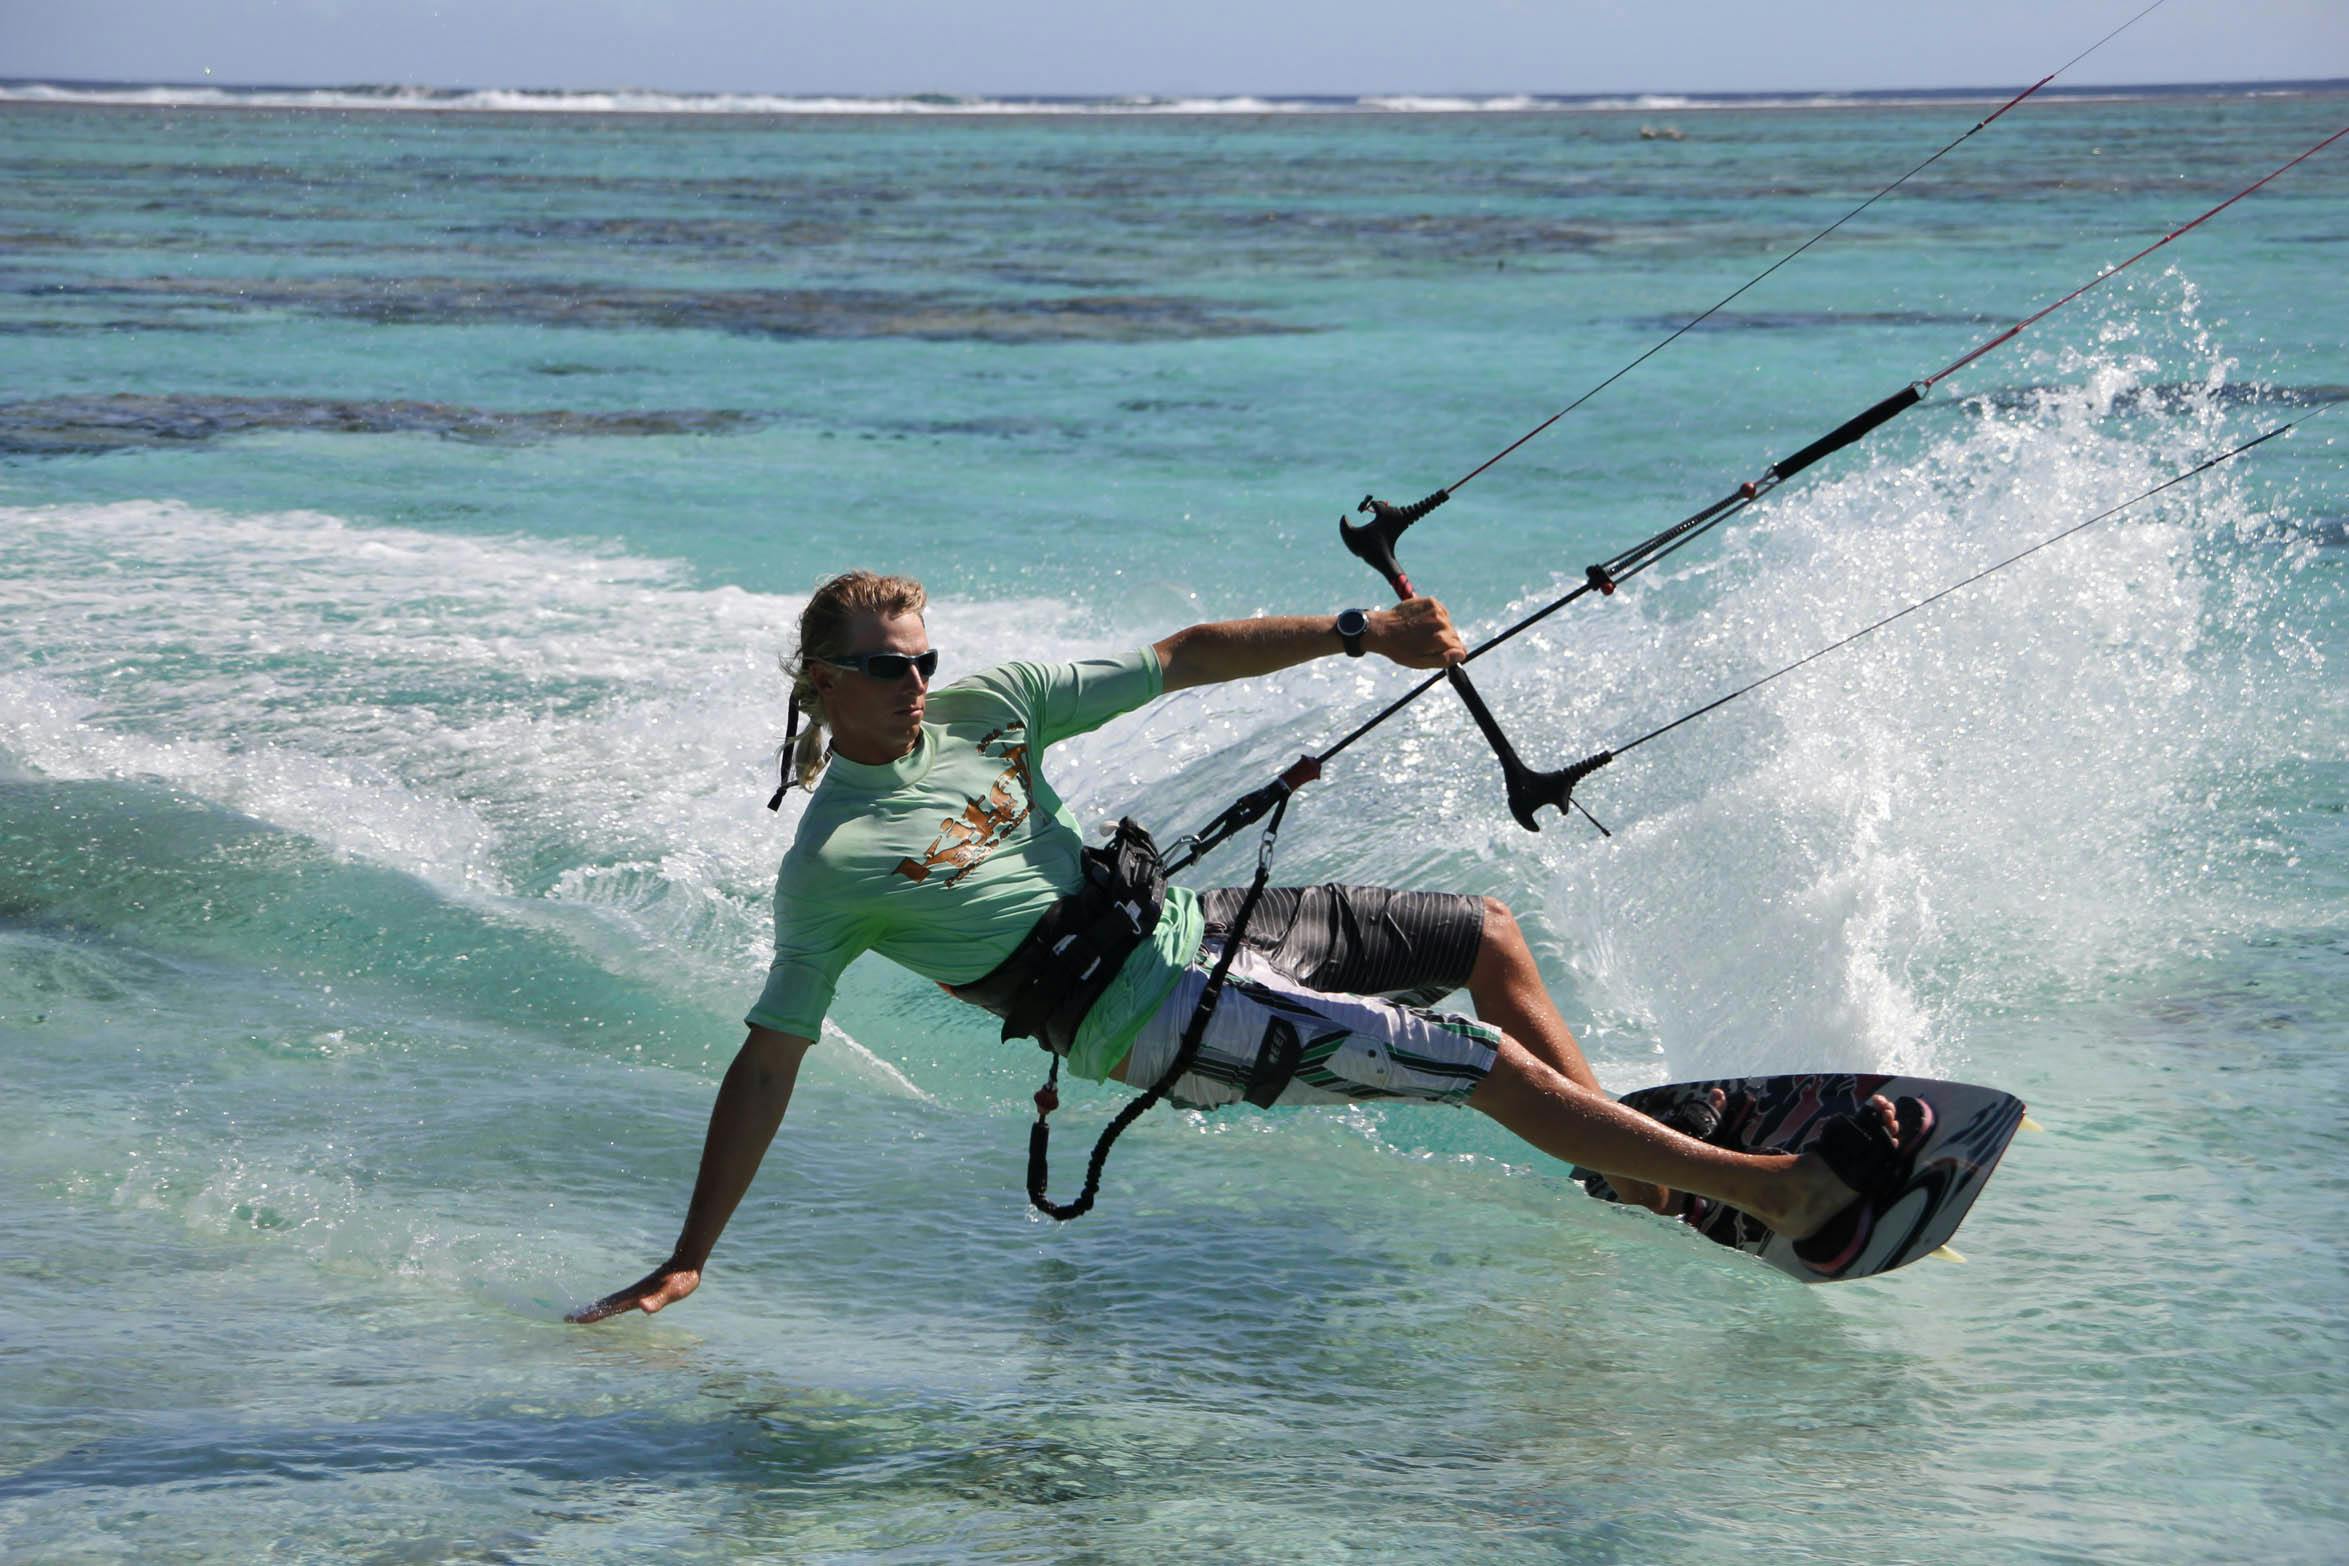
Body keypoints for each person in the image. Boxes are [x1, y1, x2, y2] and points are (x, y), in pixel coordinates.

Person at [570, 570, 1908, 1323]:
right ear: (819, 686)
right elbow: (765, 1062)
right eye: (887, 669)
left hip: (1192, 929)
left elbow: (1180, 655)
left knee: (1482, 936)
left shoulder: (986, 708)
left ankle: (1635, 1174)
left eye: (924, 659)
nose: (916, 685)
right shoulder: (832, 870)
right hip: (1144, 1024)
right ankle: (1773, 1188)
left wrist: (1357, 634)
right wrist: (693, 1253)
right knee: (1483, 1063)